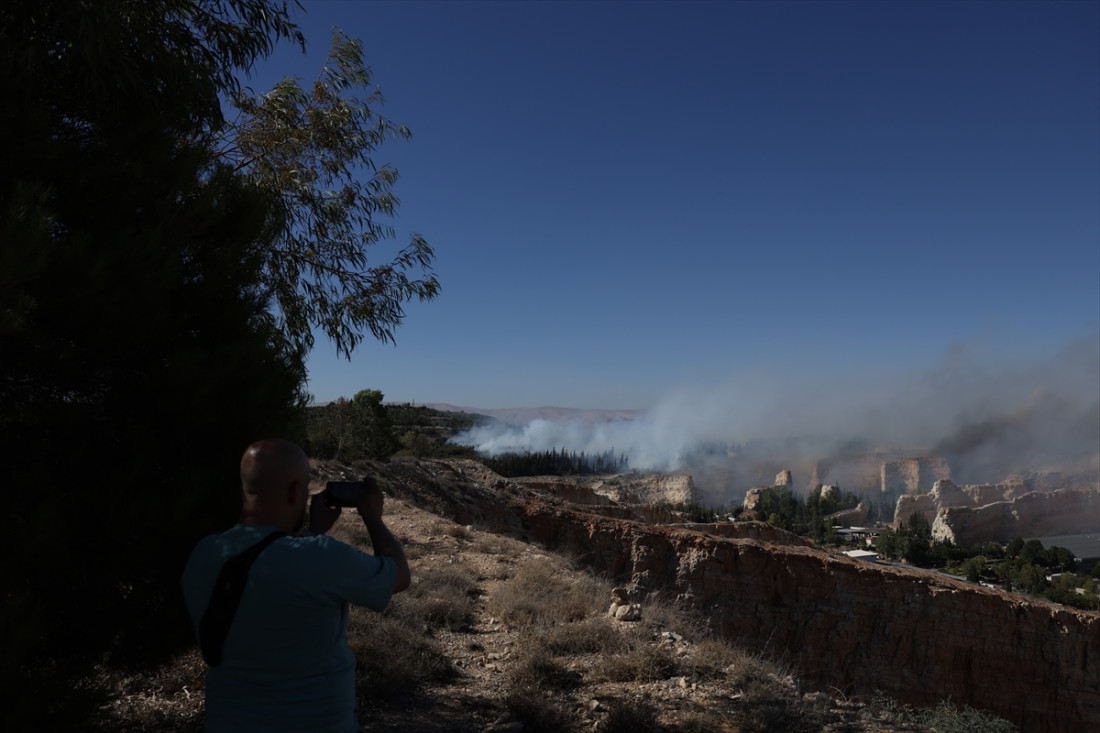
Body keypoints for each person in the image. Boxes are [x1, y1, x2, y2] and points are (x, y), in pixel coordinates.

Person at [181, 439, 410, 732]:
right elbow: (398, 575)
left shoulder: (205, 553)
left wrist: (312, 531)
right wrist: (373, 517)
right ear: (293, 492)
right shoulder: (320, 557)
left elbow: (268, 572)